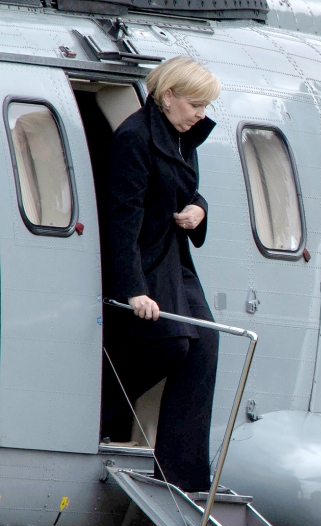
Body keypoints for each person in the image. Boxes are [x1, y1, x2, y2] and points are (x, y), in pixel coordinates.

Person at [100, 56, 221, 492]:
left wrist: (198, 209)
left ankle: (184, 477)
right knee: (170, 343)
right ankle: (100, 411)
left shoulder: (181, 134)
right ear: (168, 96)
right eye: (196, 104)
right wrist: (134, 290)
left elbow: (186, 189)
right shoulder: (135, 139)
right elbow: (121, 219)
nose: (201, 114)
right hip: (147, 256)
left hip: (174, 256)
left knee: (205, 341)